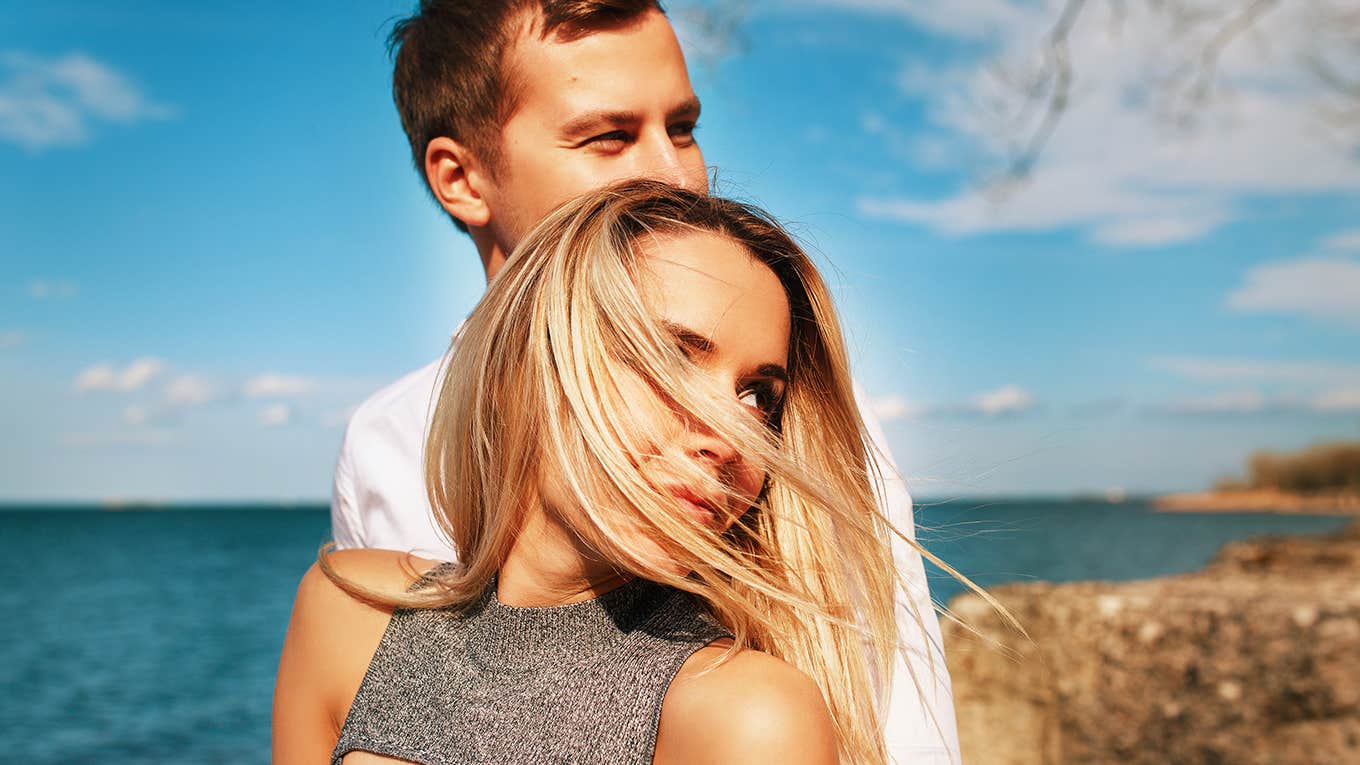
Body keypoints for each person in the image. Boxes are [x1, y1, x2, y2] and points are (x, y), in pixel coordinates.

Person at [330, 1, 958, 760]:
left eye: (684, 127)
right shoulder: (386, 440)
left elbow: (900, 731)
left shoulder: (792, 429)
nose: (676, 173)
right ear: (461, 178)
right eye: (609, 136)